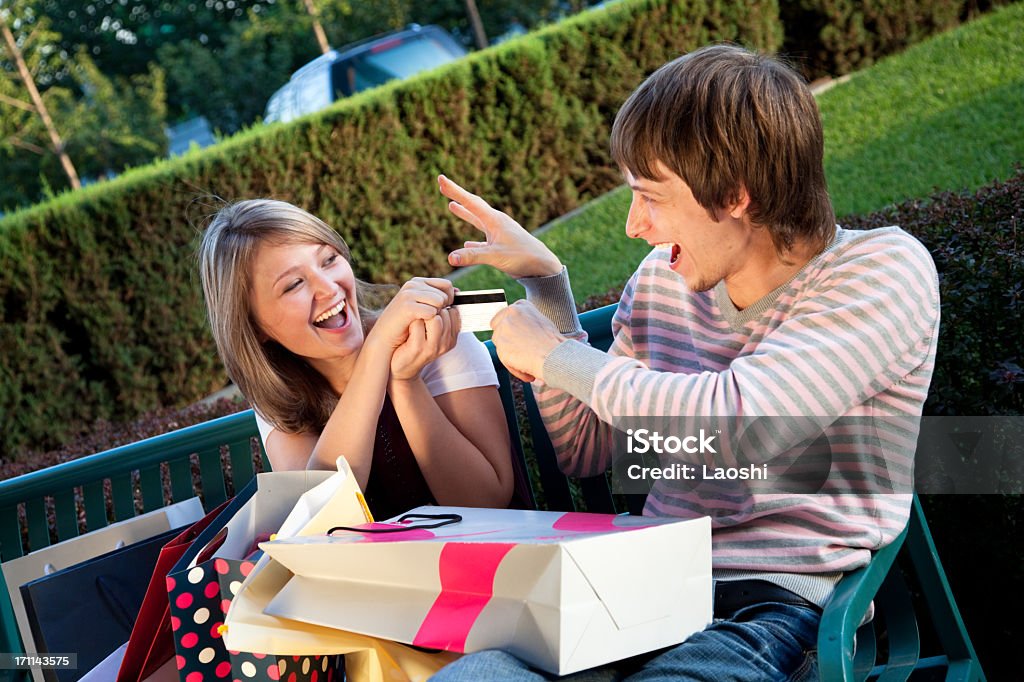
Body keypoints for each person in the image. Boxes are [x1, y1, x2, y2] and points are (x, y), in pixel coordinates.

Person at [433, 44, 940, 680]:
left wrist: (557, 356)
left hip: (779, 610)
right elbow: (590, 449)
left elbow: (741, 426)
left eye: (651, 196)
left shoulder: (880, 274)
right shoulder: (664, 281)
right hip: (643, 591)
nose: (632, 225)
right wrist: (548, 289)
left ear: (735, 195)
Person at [198, 199, 514, 520]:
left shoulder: (438, 335)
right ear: (254, 326)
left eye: (329, 259)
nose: (328, 287)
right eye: (294, 284)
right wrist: (376, 352)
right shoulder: (279, 395)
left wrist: (405, 382)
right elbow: (322, 515)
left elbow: (488, 502)